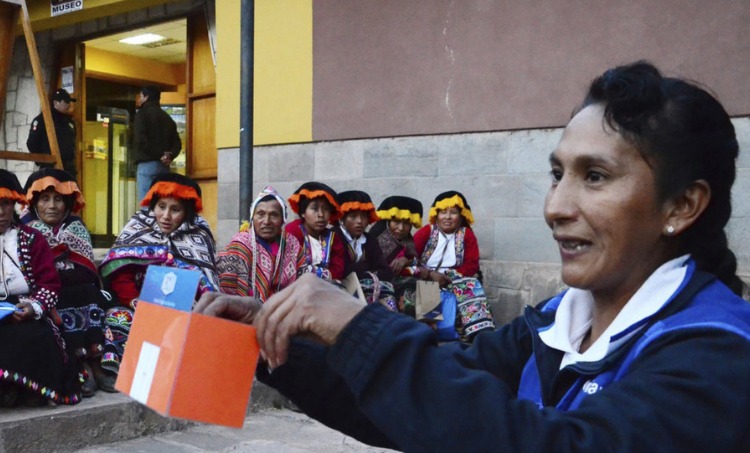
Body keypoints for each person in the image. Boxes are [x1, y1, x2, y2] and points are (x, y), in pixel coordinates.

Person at [195, 61, 750, 452]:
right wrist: (272, 340)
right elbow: (429, 405)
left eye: (596, 177)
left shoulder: (716, 354)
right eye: (557, 175)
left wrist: (359, 326)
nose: (556, 206)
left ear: (682, 205)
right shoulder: (556, 321)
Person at [98, 173, 217, 386]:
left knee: (195, 326)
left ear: (188, 213)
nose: (166, 216)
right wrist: (136, 302)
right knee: (118, 319)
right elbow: (120, 276)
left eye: (175, 210)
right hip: (136, 304)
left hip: (183, 305)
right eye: (161, 206)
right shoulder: (137, 228)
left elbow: (206, 286)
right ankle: (119, 372)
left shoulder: (199, 235)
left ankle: (173, 375)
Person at [21, 168, 112, 396]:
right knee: (61, 296)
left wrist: (58, 275)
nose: (51, 206)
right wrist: (58, 277)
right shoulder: (27, 232)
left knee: (91, 293)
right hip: (46, 293)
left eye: (58, 199)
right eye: (45, 199)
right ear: (34, 203)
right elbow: (35, 274)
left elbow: (87, 272)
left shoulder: (76, 228)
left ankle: (96, 362)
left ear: (68, 203)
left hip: (78, 289)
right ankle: (81, 366)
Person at [0, 169, 82, 407]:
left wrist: (33, 306)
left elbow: (49, 283)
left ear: (14, 203)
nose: (1, 212)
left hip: (23, 306)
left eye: (5, 203)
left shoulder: (32, 238)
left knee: (36, 336)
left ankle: (26, 388)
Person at [409, 190, 495, 341]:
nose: (447, 217)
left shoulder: (466, 234)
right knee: (427, 289)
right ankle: (430, 333)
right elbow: (410, 256)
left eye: (453, 212)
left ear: (461, 216)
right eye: (443, 212)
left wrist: (449, 276)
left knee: (471, 285)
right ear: (436, 215)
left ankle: (479, 332)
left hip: (454, 278)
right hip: (426, 276)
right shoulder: (426, 232)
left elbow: (472, 264)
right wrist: (428, 274)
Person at [216, 186, 305, 302]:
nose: (267, 221)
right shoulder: (241, 244)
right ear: (252, 218)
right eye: (261, 214)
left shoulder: (292, 244)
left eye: (274, 215)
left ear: (283, 220)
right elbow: (230, 288)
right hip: (246, 312)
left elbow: (303, 278)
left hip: (284, 310)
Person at [334, 190, 396, 310]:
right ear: (342, 218)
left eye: (363, 216)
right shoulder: (334, 237)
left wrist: (362, 271)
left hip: (369, 287)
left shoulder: (369, 240)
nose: (359, 222)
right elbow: (342, 270)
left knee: (388, 294)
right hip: (341, 288)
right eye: (353, 216)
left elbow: (386, 271)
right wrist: (368, 271)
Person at [369, 195, 424, 315]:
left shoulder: (408, 239)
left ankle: (430, 323)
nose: (401, 228)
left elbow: (414, 260)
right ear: (388, 220)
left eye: (406, 223)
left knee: (427, 285)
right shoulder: (378, 235)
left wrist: (405, 260)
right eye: (396, 222)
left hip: (402, 279)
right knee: (414, 284)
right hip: (381, 282)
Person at [285, 182, 346, 282]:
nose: (321, 215)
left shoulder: (334, 240)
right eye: (314, 208)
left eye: (326, 209)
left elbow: (337, 272)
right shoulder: (291, 232)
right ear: (303, 212)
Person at [133, 85, 182, 203]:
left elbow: (141, 140)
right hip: (163, 167)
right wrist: (169, 155)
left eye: (141, 96)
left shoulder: (142, 114)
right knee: (161, 203)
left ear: (146, 97)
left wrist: (159, 154)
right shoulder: (167, 118)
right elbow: (177, 143)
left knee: (146, 204)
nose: (139, 99)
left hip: (146, 165)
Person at [26, 88, 78, 178]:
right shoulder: (44, 119)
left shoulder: (69, 122)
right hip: (50, 168)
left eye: (69, 102)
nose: (68, 104)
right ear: (55, 102)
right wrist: (43, 159)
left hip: (68, 169)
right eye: (65, 101)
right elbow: (32, 143)